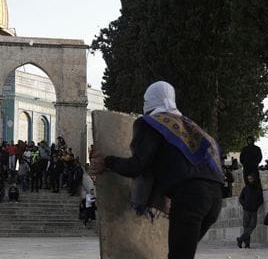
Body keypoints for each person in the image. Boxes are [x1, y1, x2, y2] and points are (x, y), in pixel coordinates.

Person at [91, 81, 224, 259]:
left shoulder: (150, 123)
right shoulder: (191, 126)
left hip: (190, 198)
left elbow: (137, 166)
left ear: (149, 100)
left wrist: (107, 161)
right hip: (215, 200)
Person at [236, 173, 263, 248]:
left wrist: (256, 206)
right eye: (249, 179)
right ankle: (247, 245)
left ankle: (240, 239)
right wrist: (244, 204)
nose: (250, 180)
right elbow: (241, 198)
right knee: (246, 227)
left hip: (254, 210)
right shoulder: (246, 188)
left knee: (252, 226)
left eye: (251, 179)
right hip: (246, 210)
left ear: (254, 179)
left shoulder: (258, 189)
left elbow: (261, 200)